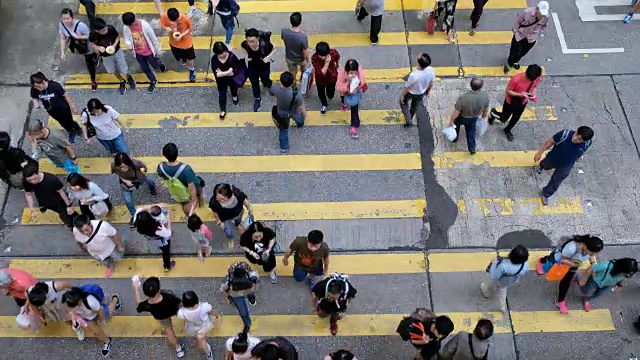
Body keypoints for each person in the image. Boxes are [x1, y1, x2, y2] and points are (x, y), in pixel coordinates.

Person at [536, 235, 604, 314]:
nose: (593, 255)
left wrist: (592, 264)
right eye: (592, 252)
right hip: (561, 260)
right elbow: (562, 258)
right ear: (585, 246)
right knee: (550, 261)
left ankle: (560, 301)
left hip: (573, 265)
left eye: (595, 253)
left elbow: (592, 256)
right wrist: (573, 264)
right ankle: (542, 261)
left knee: (565, 282)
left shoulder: (590, 249)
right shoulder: (571, 248)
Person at [533, 126, 594, 205]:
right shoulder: (565, 134)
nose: (575, 138)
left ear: (585, 141)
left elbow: (583, 151)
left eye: (579, 139)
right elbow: (550, 141)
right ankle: (541, 166)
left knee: (557, 180)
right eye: (576, 134)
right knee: (546, 164)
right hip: (553, 158)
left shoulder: (588, 143)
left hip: (566, 165)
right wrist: (539, 153)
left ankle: (546, 193)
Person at [133, 276, 185, 358]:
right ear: (158, 290)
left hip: (161, 316)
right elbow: (179, 302)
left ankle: (178, 349)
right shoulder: (168, 296)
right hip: (173, 310)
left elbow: (138, 305)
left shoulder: (147, 305)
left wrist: (136, 288)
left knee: (169, 332)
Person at [62, 285, 121, 356]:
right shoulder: (69, 302)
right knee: (97, 333)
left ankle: (115, 299)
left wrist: (101, 320)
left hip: (95, 313)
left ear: (79, 302)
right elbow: (69, 312)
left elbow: (100, 310)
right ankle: (107, 341)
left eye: (71, 307)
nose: (69, 309)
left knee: (110, 310)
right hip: (88, 317)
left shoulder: (90, 301)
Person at [489, 64, 543, 141]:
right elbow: (508, 91)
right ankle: (493, 113)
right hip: (510, 102)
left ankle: (507, 130)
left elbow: (534, 86)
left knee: (516, 118)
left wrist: (533, 93)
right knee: (503, 118)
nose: (533, 80)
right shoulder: (516, 79)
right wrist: (520, 94)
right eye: (531, 80)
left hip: (523, 102)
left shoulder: (535, 78)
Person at [23, 161, 77, 229]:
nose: (33, 182)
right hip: (43, 200)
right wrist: (31, 209)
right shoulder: (26, 181)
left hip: (58, 202)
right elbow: (28, 194)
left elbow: (61, 192)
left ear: (38, 172)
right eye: (30, 180)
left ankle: (72, 225)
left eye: (34, 179)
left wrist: (68, 205)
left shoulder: (51, 179)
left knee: (65, 216)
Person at [30, 72, 81, 143]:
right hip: (51, 111)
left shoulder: (55, 85)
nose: (38, 89)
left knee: (69, 121)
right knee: (62, 123)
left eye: (39, 86)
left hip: (63, 109)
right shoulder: (34, 89)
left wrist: (72, 106)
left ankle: (74, 129)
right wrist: (36, 104)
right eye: (36, 87)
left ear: (43, 81)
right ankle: (70, 129)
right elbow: (34, 97)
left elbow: (65, 95)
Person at [90, 18, 135, 95]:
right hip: (105, 56)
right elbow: (92, 44)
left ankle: (128, 77)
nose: (105, 31)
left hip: (117, 51)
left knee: (123, 67)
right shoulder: (93, 34)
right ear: (97, 31)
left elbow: (117, 37)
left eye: (105, 28)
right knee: (111, 70)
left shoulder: (110, 28)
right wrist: (98, 48)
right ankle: (121, 80)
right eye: (102, 31)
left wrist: (114, 46)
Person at [157, 142, 204, 216]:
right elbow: (191, 186)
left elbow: (163, 176)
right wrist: (193, 199)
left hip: (178, 188)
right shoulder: (186, 169)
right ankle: (201, 202)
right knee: (199, 190)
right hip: (190, 187)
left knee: (184, 200)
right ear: (177, 153)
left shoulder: (161, 167)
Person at [122, 12, 165, 92]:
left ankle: (159, 63)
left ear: (135, 18)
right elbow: (127, 38)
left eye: (132, 24)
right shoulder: (126, 27)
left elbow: (153, 37)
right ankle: (153, 80)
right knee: (145, 68)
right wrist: (128, 44)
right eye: (129, 25)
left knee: (155, 65)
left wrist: (158, 49)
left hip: (149, 52)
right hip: (138, 53)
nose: (131, 26)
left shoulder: (145, 25)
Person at [112, 152, 157, 226]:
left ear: (128, 163)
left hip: (139, 179)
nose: (122, 169)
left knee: (148, 182)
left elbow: (143, 165)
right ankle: (134, 216)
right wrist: (124, 180)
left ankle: (152, 187)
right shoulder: (114, 165)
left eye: (124, 166)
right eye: (119, 167)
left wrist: (145, 169)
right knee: (128, 201)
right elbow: (116, 173)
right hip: (126, 184)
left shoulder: (135, 163)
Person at [481, 245, 529, 313]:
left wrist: (494, 263)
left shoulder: (504, 266)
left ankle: (486, 292)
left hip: (501, 280)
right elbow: (525, 271)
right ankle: (502, 306)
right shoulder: (525, 264)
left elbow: (493, 275)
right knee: (503, 291)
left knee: (489, 284)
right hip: (511, 280)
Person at [59, 8, 99, 91]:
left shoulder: (81, 26)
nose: (66, 21)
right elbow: (63, 38)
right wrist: (62, 52)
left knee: (89, 63)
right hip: (76, 46)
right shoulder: (62, 25)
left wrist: (78, 37)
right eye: (64, 19)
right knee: (84, 57)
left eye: (68, 18)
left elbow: (90, 36)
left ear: (72, 17)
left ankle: (93, 80)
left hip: (87, 46)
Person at [504, 1, 549, 73]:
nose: (541, 15)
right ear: (537, 9)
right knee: (514, 52)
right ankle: (509, 63)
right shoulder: (527, 13)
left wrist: (537, 32)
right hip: (520, 35)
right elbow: (517, 21)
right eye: (540, 12)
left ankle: (516, 61)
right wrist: (516, 32)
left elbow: (544, 25)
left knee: (523, 52)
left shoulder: (546, 16)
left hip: (531, 39)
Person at [448, 77, 490, 154]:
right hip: (474, 118)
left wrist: (451, 121)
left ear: (470, 85)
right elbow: (486, 110)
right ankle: (472, 148)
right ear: (481, 87)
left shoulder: (463, 97)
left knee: (456, 126)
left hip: (462, 117)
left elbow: (456, 112)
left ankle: (454, 139)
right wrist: (483, 117)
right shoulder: (485, 96)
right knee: (471, 131)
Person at [270, 71, 306, 153]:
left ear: (280, 80)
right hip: (293, 111)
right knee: (299, 118)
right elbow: (301, 106)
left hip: (281, 112)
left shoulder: (274, 88)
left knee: (283, 129)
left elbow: (271, 93)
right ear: (292, 82)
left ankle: (284, 147)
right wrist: (305, 114)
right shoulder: (296, 94)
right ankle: (300, 124)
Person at [220, 261, 260, 333]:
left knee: (243, 311)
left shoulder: (251, 275)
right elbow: (223, 290)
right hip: (236, 296)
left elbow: (256, 286)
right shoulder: (230, 280)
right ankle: (247, 324)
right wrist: (226, 298)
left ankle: (250, 297)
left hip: (238, 294)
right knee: (243, 312)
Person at [134, 204, 176, 273]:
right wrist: (168, 219)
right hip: (161, 241)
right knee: (166, 252)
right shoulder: (158, 229)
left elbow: (144, 208)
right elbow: (169, 233)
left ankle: (167, 267)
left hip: (150, 239)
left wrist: (154, 208)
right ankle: (167, 266)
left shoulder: (138, 217)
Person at [177, 291, 218, 360]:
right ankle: (208, 354)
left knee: (198, 337)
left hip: (192, 327)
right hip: (205, 325)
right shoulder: (205, 306)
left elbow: (182, 317)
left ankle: (202, 345)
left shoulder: (181, 312)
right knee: (201, 339)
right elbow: (212, 311)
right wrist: (215, 315)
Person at [242, 28, 274, 112]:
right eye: (248, 41)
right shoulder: (245, 44)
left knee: (266, 80)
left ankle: (269, 86)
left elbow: (274, 48)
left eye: (252, 41)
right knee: (254, 84)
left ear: (258, 38)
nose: (250, 43)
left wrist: (268, 57)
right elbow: (243, 47)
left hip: (264, 67)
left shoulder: (265, 45)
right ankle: (257, 98)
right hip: (252, 68)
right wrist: (246, 56)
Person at [161, 8, 196, 82]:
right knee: (180, 57)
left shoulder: (185, 18)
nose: (176, 22)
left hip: (186, 44)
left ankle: (192, 70)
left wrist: (182, 34)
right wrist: (167, 29)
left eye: (177, 20)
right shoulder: (165, 16)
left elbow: (190, 28)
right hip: (174, 43)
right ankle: (184, 59)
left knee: (190, 59)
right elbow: (162, 25)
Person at [400, 53, 435, 127]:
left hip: (411, 93)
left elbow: (407, 87)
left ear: (419, 62)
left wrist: (401, 96)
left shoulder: (414, 75)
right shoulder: (431, 70)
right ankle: (411, 116)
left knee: (403, 102)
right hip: (421, 93)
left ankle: (408, 119)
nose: (419, 54)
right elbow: (431, 83)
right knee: (414, 106)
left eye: (420, 55)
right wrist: (428, 91)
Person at [211, 42, 242, 119]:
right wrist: (228, 72)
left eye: (223, 52)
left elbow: (235, 72)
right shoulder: (214, 59)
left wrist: (222, 73)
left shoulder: (232, 57)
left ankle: (234, 96)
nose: (222, 55)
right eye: (220, 54)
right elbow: (217, 75)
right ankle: (223, 109)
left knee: (234, 89)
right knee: (221, 95)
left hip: (232, 79)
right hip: (221, 81)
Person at [337, 59, 368, 138]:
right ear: (346, 71)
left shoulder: (359, 71)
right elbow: (340, 87)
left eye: (355, 72)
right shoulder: (342, 74)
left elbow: (362, 81)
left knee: (354, 108)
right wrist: (348, 83)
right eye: (351, 73)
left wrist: (359, 85)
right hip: (345, 91)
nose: (354, 75)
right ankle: (343, 104)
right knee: (343, 97)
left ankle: (353, 125)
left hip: (355, 92)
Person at [311, 42, 340, 115]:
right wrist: (327, 62)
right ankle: (324, 104)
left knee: (331, 94)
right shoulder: (315, 58)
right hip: (320, 80)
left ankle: (329, 95)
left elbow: (337, 56)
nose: (324, 57)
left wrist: (337, 65)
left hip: (331, 78)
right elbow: (321, 73)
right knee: (321, 93)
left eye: (326, 55)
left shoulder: (333, 53)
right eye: (322, 56)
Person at [281, 12, 309, 83]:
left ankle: (293, 87)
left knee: (292, 74)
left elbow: (283, 38)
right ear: (300, 22)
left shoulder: (284, 31)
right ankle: (302, 80)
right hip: (301, 59)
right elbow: (305, 51)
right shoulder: (302, 36)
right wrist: (308, 60)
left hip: (289, 58)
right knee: (304, 70)